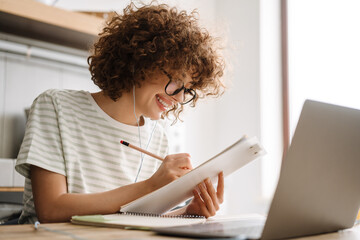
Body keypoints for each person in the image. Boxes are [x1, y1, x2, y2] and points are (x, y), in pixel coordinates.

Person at [15, 2, 225, 224]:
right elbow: (51, 210)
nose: (180, 98)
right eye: (177, 82)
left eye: (188, 90)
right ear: (141, 61)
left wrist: (188, 213)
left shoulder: (158, 135)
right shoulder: (56, 107)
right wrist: (151, 186)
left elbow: (137, 220)